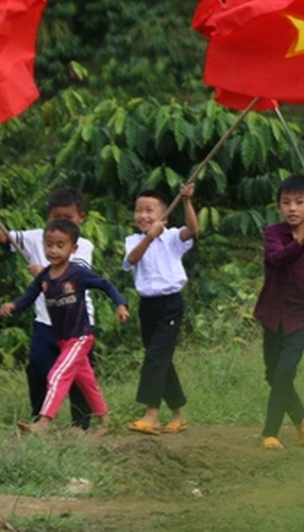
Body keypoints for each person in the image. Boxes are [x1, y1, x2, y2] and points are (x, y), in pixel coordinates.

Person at [0, 188, 98, 429]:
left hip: (77, 322)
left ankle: (81, 425)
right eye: (55, 217)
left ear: (80, 218)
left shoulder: (82, 245)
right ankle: (38, 419)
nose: (61, 222)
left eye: (68, 218)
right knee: (38, 368)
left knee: (80, 375)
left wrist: (42, 272)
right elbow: (3, 238)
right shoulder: (35, 238)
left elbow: (72, 278)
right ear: (48, 216)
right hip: (46, 320)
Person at [0, 219, 129, 435]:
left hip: (80, 337)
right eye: (49, 245)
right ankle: (106, 421)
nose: (53, 250)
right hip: (62, 338)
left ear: (73, 248)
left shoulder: (77, 273)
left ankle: (43, 423)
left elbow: (105, 285)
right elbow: (29, 297)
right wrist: (12, 305)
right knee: (87, 382)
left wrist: (121, 304)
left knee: (57, 375)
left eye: (61, 245)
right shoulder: (44, 275)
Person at [253, 175, 304, 450]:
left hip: (299, 317)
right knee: (271, 373)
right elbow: (276, 259)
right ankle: (301, 416)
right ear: (278, 207)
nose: (292, 208)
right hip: (271, 312)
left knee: (284, 373)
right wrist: (301, 240)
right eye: (286, 203)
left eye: (299, 202)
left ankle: (270, 433)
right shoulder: (274, 234)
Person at [123, 184, 199, 435]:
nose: (143, 216)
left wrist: (187, 201)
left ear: (163, 215)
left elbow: (194, 229)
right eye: (138, 210)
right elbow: (132, 260)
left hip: (170, 304)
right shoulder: (134, 240)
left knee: (155, 359)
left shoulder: (172, 237)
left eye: (149, 210)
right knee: (161, 360)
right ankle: (178, 415)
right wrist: (149, 237)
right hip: (148, 306)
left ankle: (151, 415)